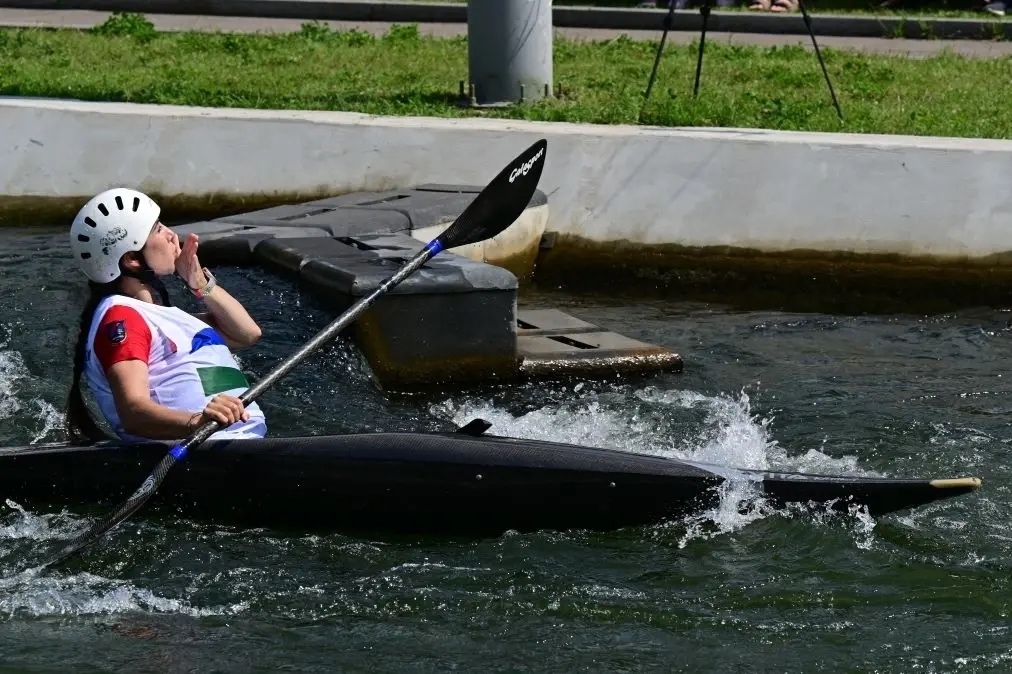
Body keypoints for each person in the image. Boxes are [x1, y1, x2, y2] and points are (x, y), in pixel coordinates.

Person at [65, 187, 267, 444]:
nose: (172, 235)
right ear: (132, 259)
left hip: (239, 444)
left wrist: (199, 282)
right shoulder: (121, 318)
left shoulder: (157, 316)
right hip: (201, 453)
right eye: (158, 229)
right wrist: (197, 422)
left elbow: (246, 333)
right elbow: (133, 413)